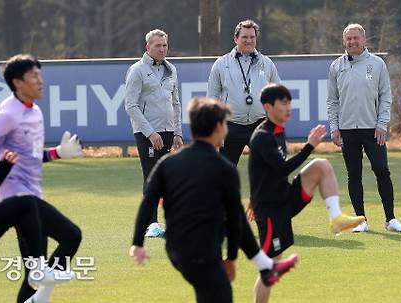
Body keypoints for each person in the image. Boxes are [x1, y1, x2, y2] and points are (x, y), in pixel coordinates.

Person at [130, 97, 297, 303]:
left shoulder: (168, 162)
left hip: (176, 249)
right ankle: (265, 265)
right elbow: (236, 220)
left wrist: (137, 243)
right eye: (226, 124)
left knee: (207, 292)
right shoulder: (224, 168)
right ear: (218, 127)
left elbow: (148, 202)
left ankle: (265, 266)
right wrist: (232, 258)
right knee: (219, 295)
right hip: (202, 250)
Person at [0, 55, 83, 303]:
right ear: (17, 83)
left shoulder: (34, 111)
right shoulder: (6, 114)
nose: (40, 81)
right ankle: (39, 298)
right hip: (17, 199)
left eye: (40, 75)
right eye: (34, 76)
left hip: (32, 197)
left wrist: (57, 153)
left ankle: (37, 298)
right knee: (71, 236)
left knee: (33, 274)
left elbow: (31, 157)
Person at [249, 83, 365, 303]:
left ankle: (336, 218)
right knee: (270, 268)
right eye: (283, 103)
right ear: (268, 107)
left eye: (289, 102)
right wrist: (309, 146)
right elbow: (281, 168)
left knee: (321, 166)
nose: (288, 107)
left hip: (283, 198)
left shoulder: (278, 131)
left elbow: (263, 170)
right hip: (270, 209)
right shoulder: (262, 136)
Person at [327, 23, 401, 232]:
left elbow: (385, 96)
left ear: (364, 40)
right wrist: (334, 128)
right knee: (353, 174)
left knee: (382, 170)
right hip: (347, 130)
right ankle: (360, 221)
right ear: (344, 41)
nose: (352, 42)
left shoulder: (377, 64)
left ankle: (391, 219)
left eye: (356, 38)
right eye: (349, 39)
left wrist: (382, 124)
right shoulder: (336, 66)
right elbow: (332, 101)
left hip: (373, 129)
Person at [125, 29, 183, 238]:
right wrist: (150, 133)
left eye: (164, 45)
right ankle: (151, 224)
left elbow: (175, 102)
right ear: (147, 47)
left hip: (168, 131)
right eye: (157, 45)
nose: (162, 49)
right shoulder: (137, 70)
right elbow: (131, 106)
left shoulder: (171, 70)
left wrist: (178, 132)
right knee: (151, 177)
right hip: (147, 133)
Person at [207, 19, 281, 165]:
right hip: (231, 126)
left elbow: (277, 96)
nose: (249, 41)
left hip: (260, 124)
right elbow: (212, 98)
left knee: (270, 169)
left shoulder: (267, 63)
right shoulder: (221, 64)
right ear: (236, 39)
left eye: (252, 37)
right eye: (244, 37)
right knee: (225, 173)